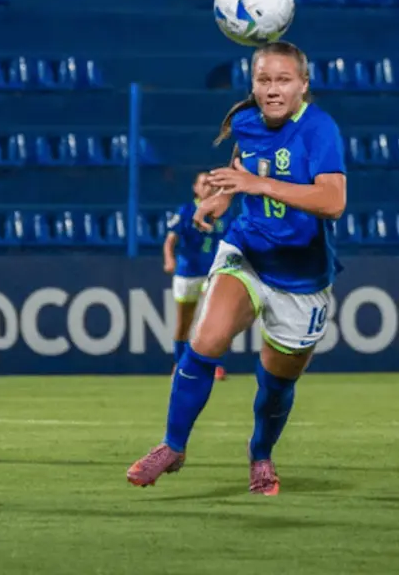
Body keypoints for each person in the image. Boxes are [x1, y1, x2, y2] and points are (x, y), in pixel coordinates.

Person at [126, 41, 346, 496]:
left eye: (283, 80)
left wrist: (258, 184)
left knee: (276, 383)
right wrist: (225, 196)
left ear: (303, 84)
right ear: (253, 84)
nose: (272, 89)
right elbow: (243, 162)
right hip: (248, 250)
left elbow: (333, 201)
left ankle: (260, 454)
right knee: (205, 339)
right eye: (264, 80)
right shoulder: (246, 121)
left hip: (301, 276)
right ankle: (172, 445)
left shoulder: (320, 129)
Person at [163, 171, 226, 381]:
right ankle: (179, 363)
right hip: (187, 271)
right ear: (196, 188)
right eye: (204, 183)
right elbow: (170, 240)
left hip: (211, 272)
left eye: (212, 183)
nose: (209, 187)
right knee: (184, 323)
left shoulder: (222, 211)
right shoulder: (186, 210)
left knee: (212, 320)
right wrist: (169, 259)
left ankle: (213, 366)